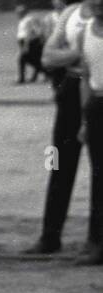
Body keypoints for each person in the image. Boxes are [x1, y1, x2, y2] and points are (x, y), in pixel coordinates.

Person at [27, 0, 97, 254]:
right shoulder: (71, 13)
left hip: (98, 91)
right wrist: (80, 52)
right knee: (58, 164)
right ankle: (49, 236)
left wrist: (73, 54)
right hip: (70, 90)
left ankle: (95, 240)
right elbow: (47, 57)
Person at [77, 0, 103, 263]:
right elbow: (85, 77)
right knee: (98, 177)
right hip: (97, 106)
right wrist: (85, 121)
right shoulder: (84, 31)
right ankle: (95, 241)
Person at [17, 5, 45, 83]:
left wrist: (26, 45)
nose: (18, 14)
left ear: (25, 12)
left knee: (23, 59)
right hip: (26, 42)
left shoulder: (29, 20)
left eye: (20, 12)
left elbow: (29, 33)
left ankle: (22, 78)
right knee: (35, 60)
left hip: (29, 42)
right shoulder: (23, 20)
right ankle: (36, 76)